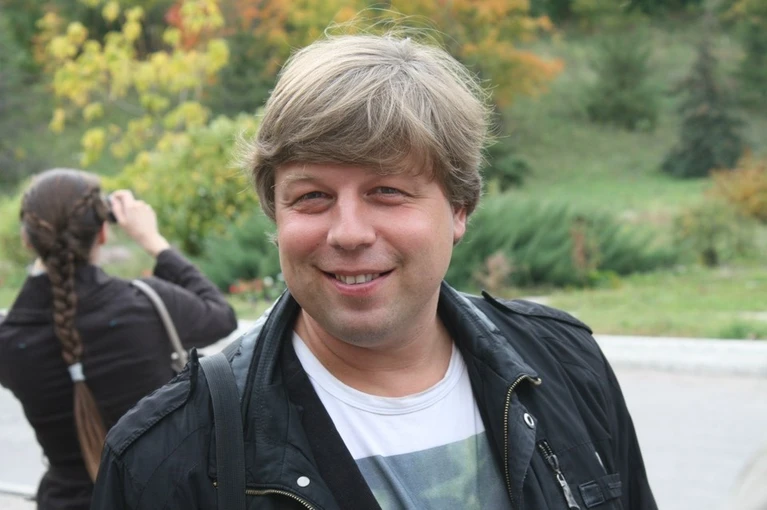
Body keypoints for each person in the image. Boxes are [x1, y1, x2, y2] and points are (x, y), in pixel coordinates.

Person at [92, 32, 657, 510]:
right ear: (276, 215)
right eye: (312, 196)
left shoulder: (566, 366)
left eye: (387, 191)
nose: (349, 233)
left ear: (460, 208)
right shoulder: (169, 457)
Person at [0, 169, 238, 510]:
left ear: (27, 239)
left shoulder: (10, 340)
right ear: (102, 233)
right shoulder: (148, 305)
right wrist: (153, 241)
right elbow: (221, 315)